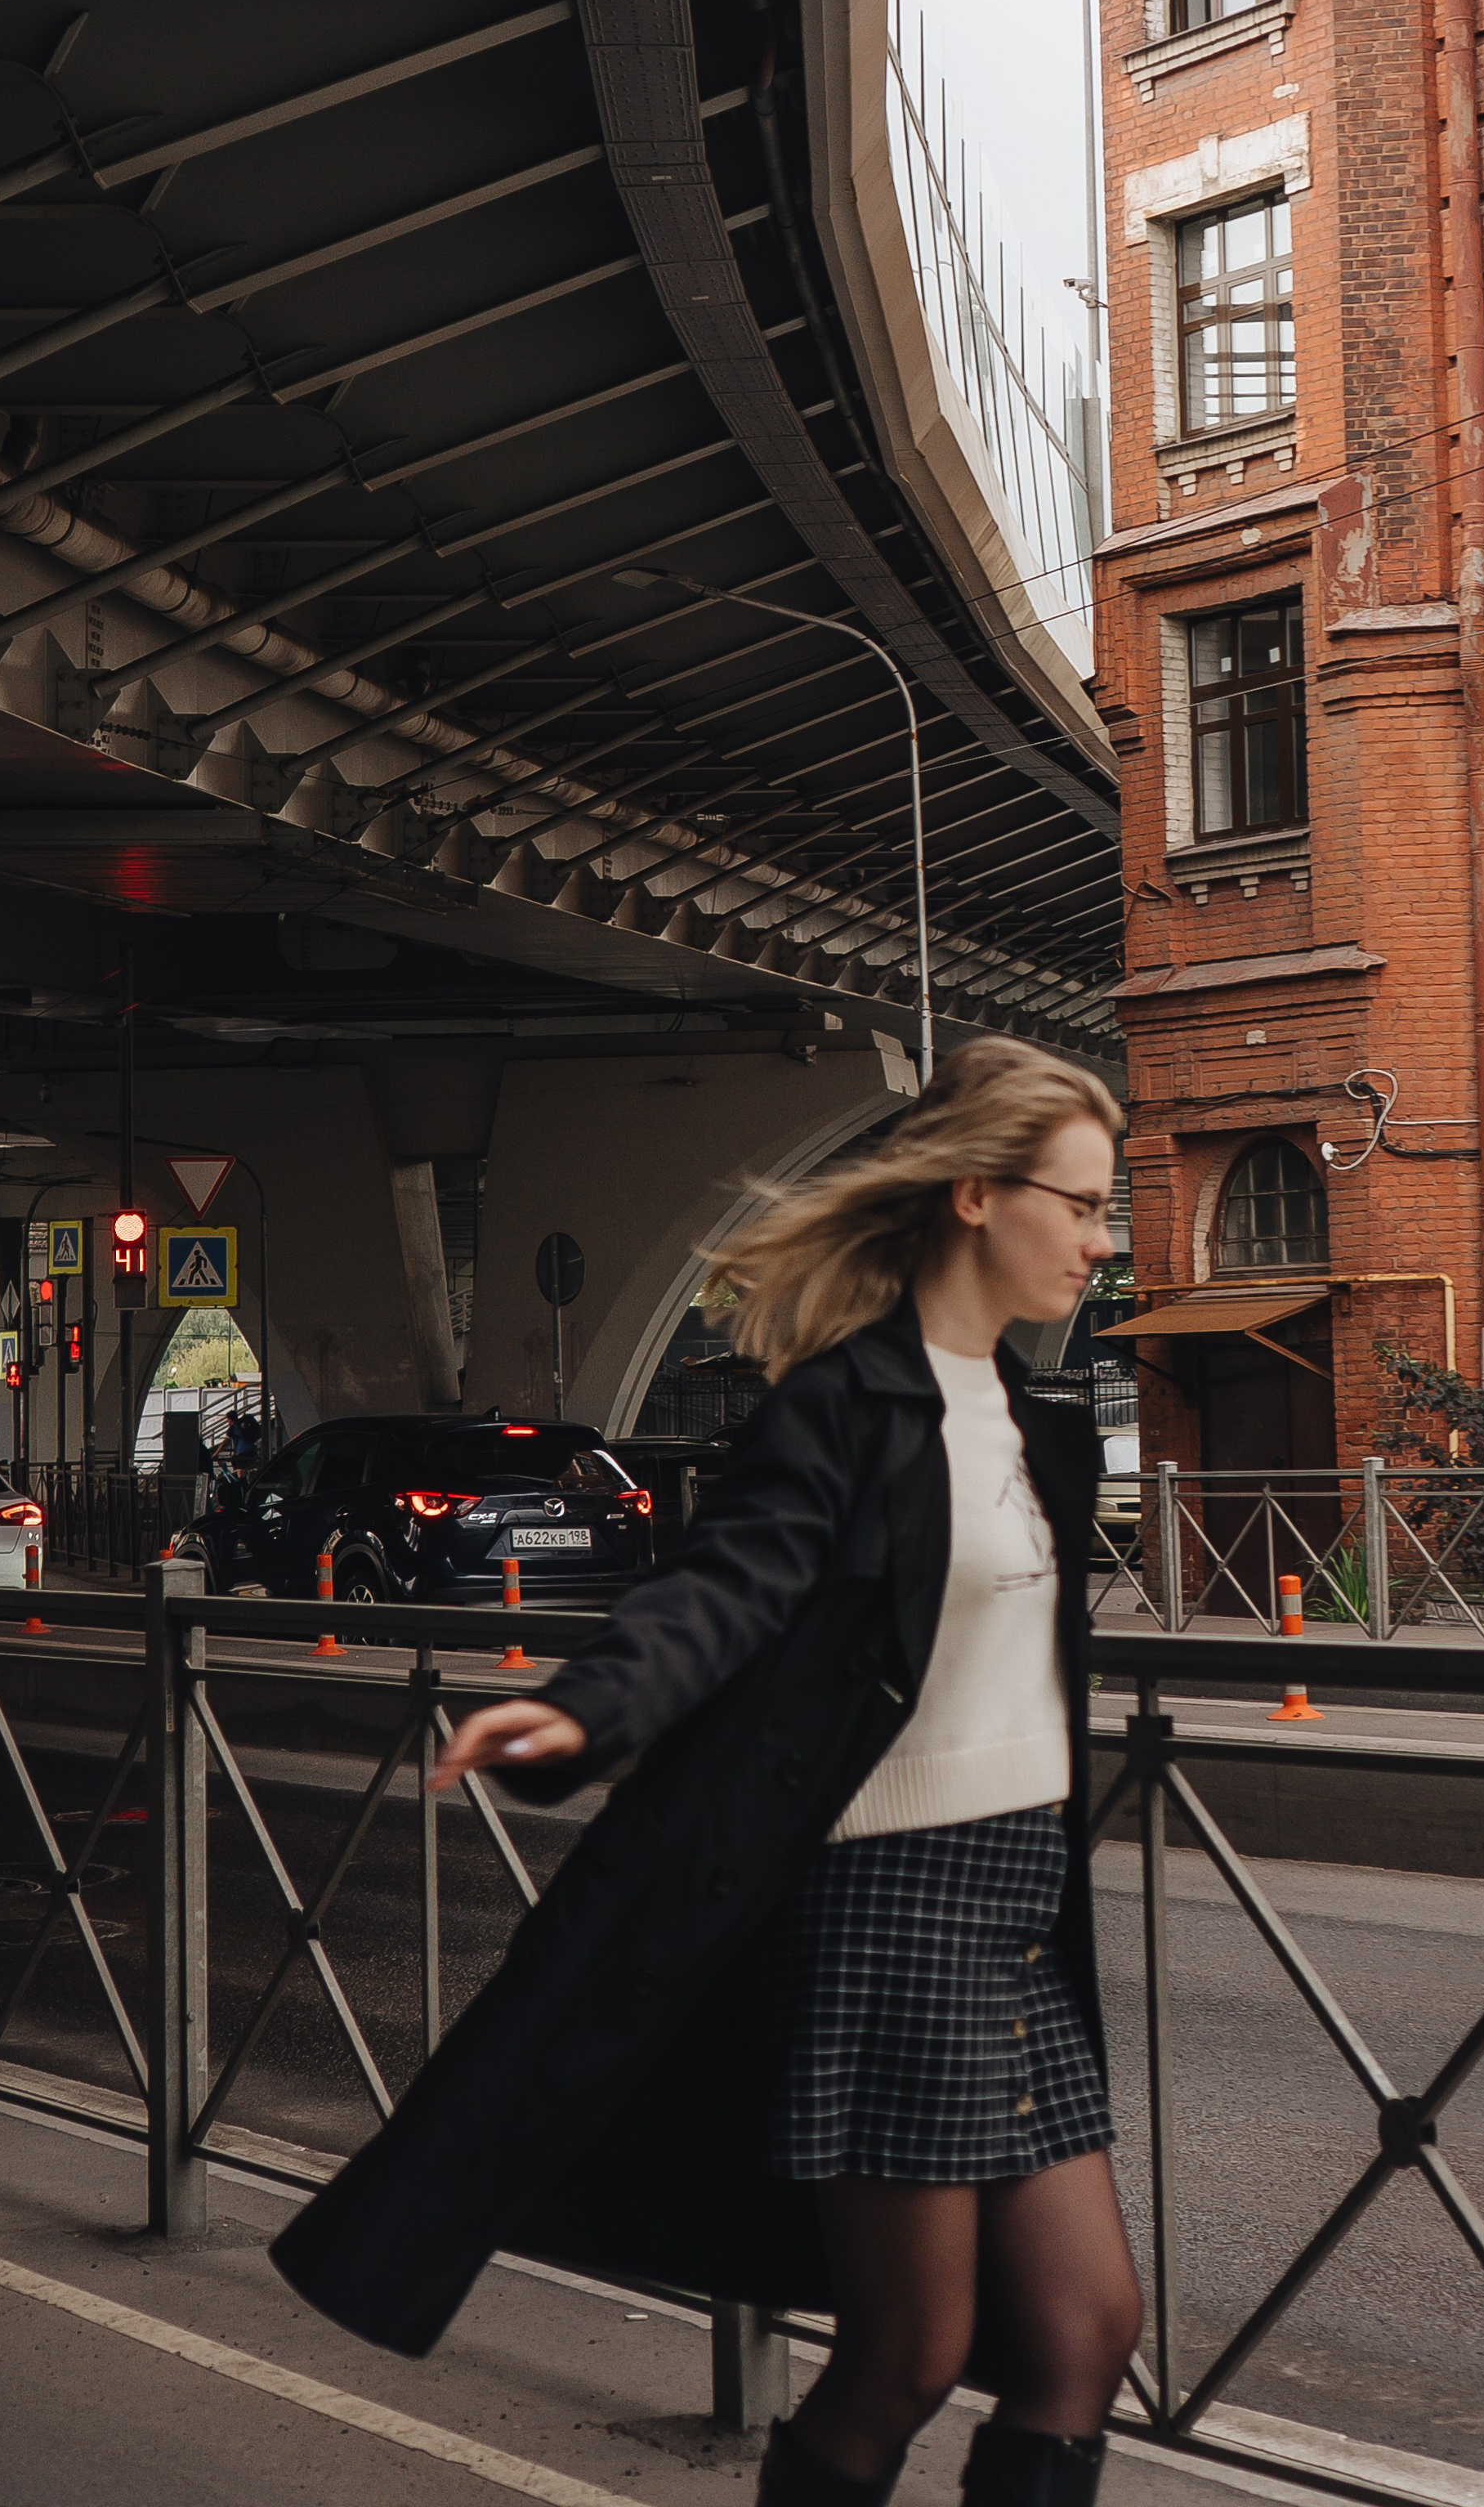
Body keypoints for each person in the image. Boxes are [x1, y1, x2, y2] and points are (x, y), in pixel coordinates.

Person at [271, 1036, 1141, 2507]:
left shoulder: (1043, 1433)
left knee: (1087, 2330)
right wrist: (586, 1709)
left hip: (1018, 1917)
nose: (1101, 1241)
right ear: (978, 1196)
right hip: (891, 1909)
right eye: (1082, 1204)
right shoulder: (845, 1407)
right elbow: (726, 1590)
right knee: (910, 2355)